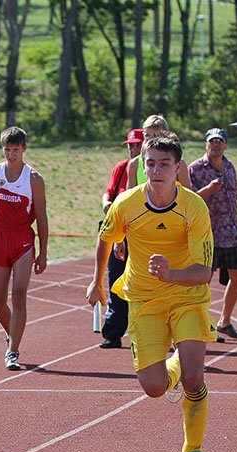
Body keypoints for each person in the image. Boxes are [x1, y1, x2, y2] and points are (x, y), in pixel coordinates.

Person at [87, 133, 218, 452]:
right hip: (144, 299)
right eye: (150, 163)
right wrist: (97, 283)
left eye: (164, 164)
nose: (157, 170)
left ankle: (195, 451)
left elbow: (203, 272)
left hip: (187, 296)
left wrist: (171, 272)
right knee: (155, 387)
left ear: (178, 168)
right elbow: (105, 239)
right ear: (142, 167)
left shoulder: (193, 207)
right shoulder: (126, 204)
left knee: (193, 378)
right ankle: (173, 365)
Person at [0, 126, 49, 370]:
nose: (11, 154)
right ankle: (12, 335)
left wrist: (44, 252)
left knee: (18, 296)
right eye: (7, 150)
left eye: (15, 150)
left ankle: (12, 351)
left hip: (23, 241)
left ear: (24, 149)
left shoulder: (34, 179)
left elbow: (42, 217)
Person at [189, 128, 237, 340]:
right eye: (212, 141)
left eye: (219, 142)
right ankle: (203, 324)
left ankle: (225, 321)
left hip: (232, 232)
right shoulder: (195, 168)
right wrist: (209, 190)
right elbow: (190, 200)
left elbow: (235, 196)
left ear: (225, 145)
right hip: (209, 234)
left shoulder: (230, 166)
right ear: (206, 144)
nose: (215, 145)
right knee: (204, 280)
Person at [97, 128, 144, 349]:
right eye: (131, 145)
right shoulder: (121, 167)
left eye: (137, 145)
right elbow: (109, 192)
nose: (134, 149)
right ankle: (114, 332)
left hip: (141, 232)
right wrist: (106, 202)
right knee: (116, 279)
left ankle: (144, 331)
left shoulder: (153, 169)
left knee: (141, 282)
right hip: (118, 229)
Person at [125, 115, 191, 189]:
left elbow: (187, 195)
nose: (151, 140)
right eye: (147, 136)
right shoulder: (135, 164)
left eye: (156, 136)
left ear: (165, 136)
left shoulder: (178, 163)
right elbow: (129, 195)